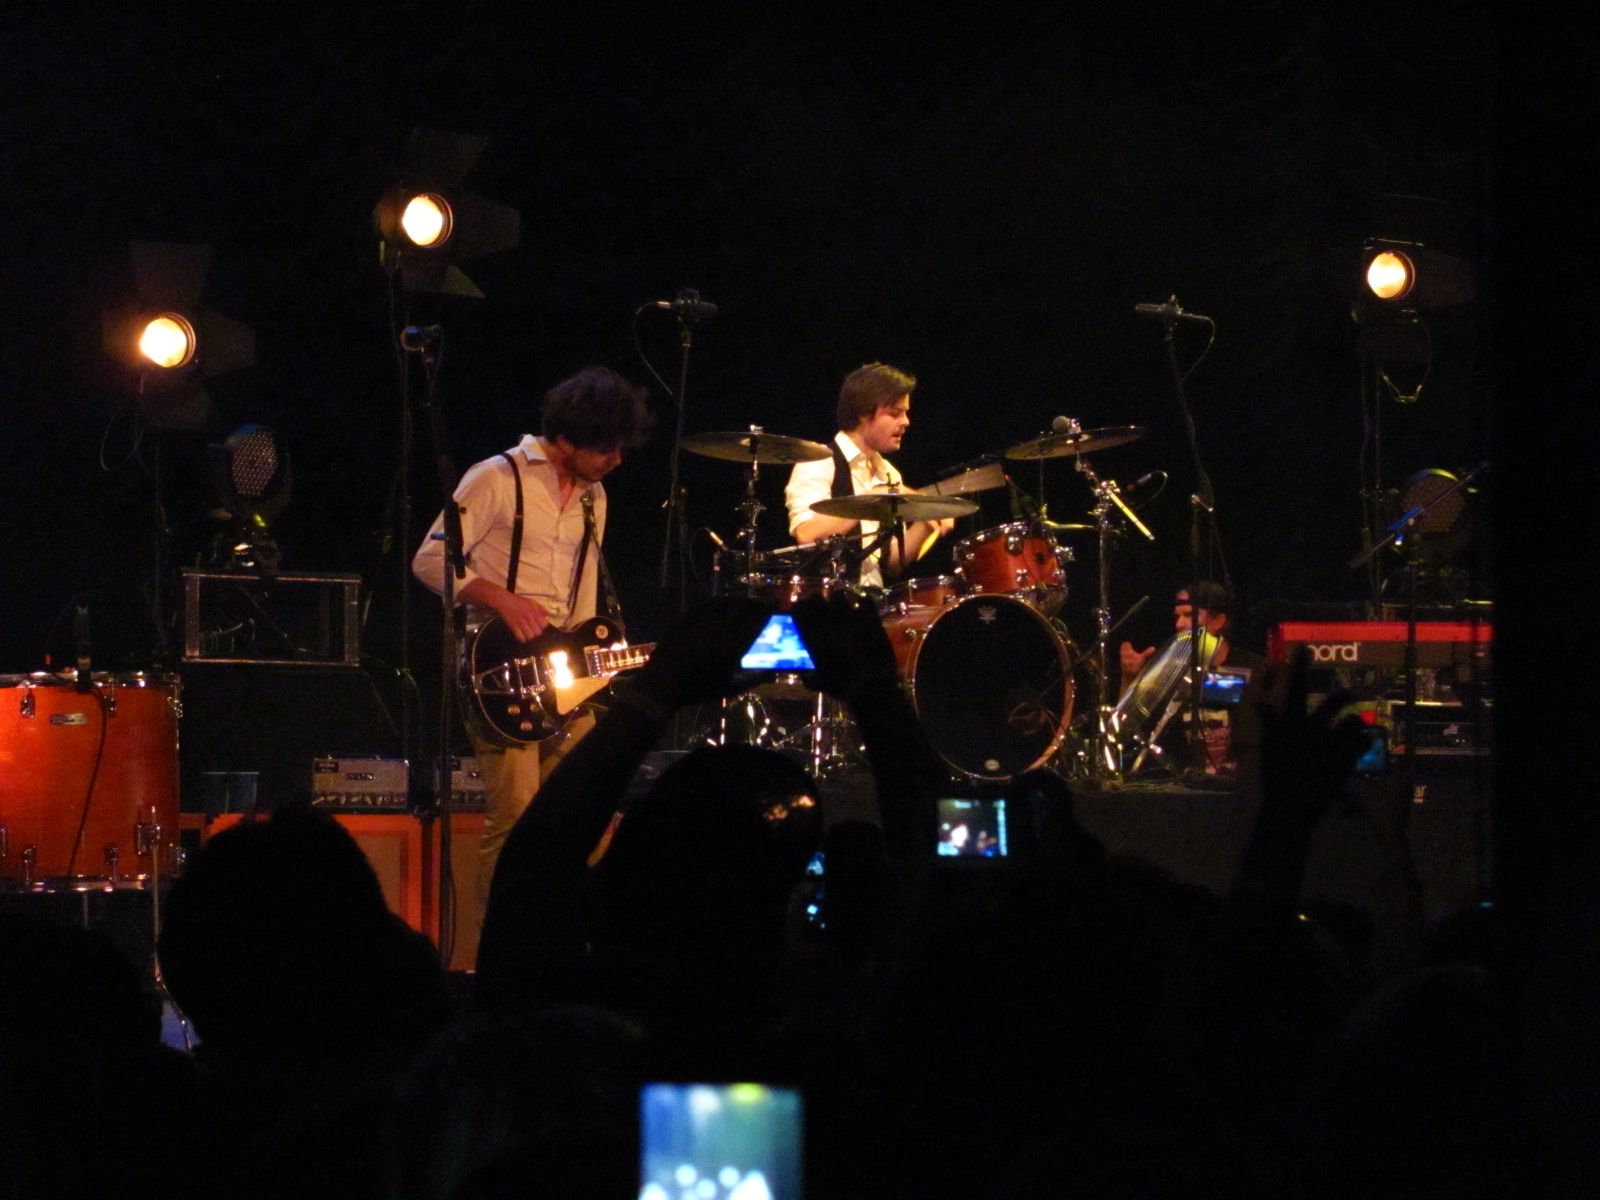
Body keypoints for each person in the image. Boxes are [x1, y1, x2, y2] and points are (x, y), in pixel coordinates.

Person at [412, 365, 652, 907]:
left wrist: (599, 661)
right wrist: (501, 597)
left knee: (590, 806)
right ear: (565, 440)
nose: (616, 461)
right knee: (516, 816)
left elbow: (586, 591)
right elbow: (429, 561)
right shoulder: (495, 477)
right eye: (605, 448)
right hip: (497, 667)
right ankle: (494, 961)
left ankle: (571, 941)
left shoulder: (596, 496)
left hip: (564, 670)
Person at [783, 362, 956, 589]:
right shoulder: (820, 461)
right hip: (825, 603)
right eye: (894, 413)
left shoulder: (889, 473)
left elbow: (892, 562)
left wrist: (927, 522)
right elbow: (807, 535)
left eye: (905, 413)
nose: (906, 422)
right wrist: (873, 498)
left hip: (873, 600)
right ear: (864, 414)